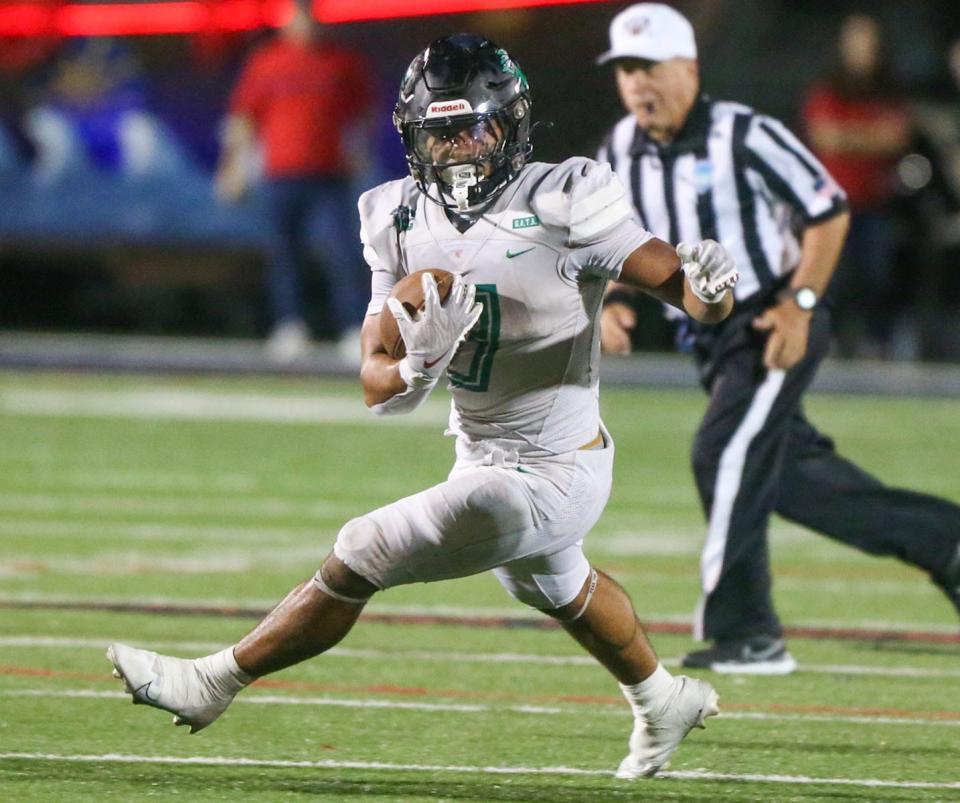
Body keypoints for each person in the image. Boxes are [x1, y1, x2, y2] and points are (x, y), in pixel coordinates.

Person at [107, 33, 740, 779]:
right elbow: (377, 384)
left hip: (562, 464)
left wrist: (713, 282)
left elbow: (693, 296)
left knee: (365, 544)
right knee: (559, 585)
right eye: (441, 132)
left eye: (475, 126)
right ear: (415, 138)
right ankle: (662, 698)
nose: (461, 147)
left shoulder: (565, 196)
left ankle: (212, 681)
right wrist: (415, 363)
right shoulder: (395, 216)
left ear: (511, 125)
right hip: (480, 456)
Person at [595, 3, 960, 675]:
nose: (639, 84)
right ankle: (947, 543)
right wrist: (617, 301)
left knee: (722, 450)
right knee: (797, 484)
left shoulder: (744, 134)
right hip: (708, 338)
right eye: (626, 70)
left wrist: (800, 304)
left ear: (689, 70)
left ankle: (747, 630)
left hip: (770, 320)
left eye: (650, 68)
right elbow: (618, 239)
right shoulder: (620, 148)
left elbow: (828, 209)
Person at [214, 3, 375, 361]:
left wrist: (360, 156)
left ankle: (354, 328)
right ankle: (290, 325)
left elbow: (361, 115)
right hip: (281, 175)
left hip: (329, 174)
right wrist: (233, 168)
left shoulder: (340, 61)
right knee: (284, 253)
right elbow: (244, 117)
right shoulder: (267, 61)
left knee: (342, 252)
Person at [801, 13, 913, 358]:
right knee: (828, 277)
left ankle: (876, 343)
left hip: (875, 204)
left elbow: (897, 137)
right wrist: (870, 135)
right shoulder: (827, 89)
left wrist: (850, 137)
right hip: (831, 206)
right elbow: (826, 137)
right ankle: (824, 341)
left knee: (878, 277)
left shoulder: (889, 92)